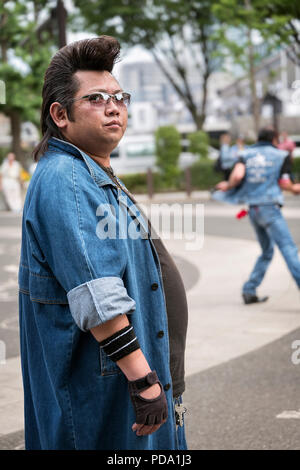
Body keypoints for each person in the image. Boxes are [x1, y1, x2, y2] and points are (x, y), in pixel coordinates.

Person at [18, 36, 188, 450]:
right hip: (107, 393)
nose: (114, 107)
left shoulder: (91, 171)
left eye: (119, 96)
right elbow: (98, 294)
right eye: (95, 98)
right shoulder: (67, 179)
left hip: (126, 381)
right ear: (60, 114)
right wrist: (143, 380)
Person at [213, 127, 300, 305]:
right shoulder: (280, 155)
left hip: (254, 210)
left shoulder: (246, 154)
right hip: (271, 209)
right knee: (289, 250)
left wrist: (228, 186)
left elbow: (237, 176)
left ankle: (249, 289)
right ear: (275, 139)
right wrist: (295, 188)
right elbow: (285, 184)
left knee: (267, 251)